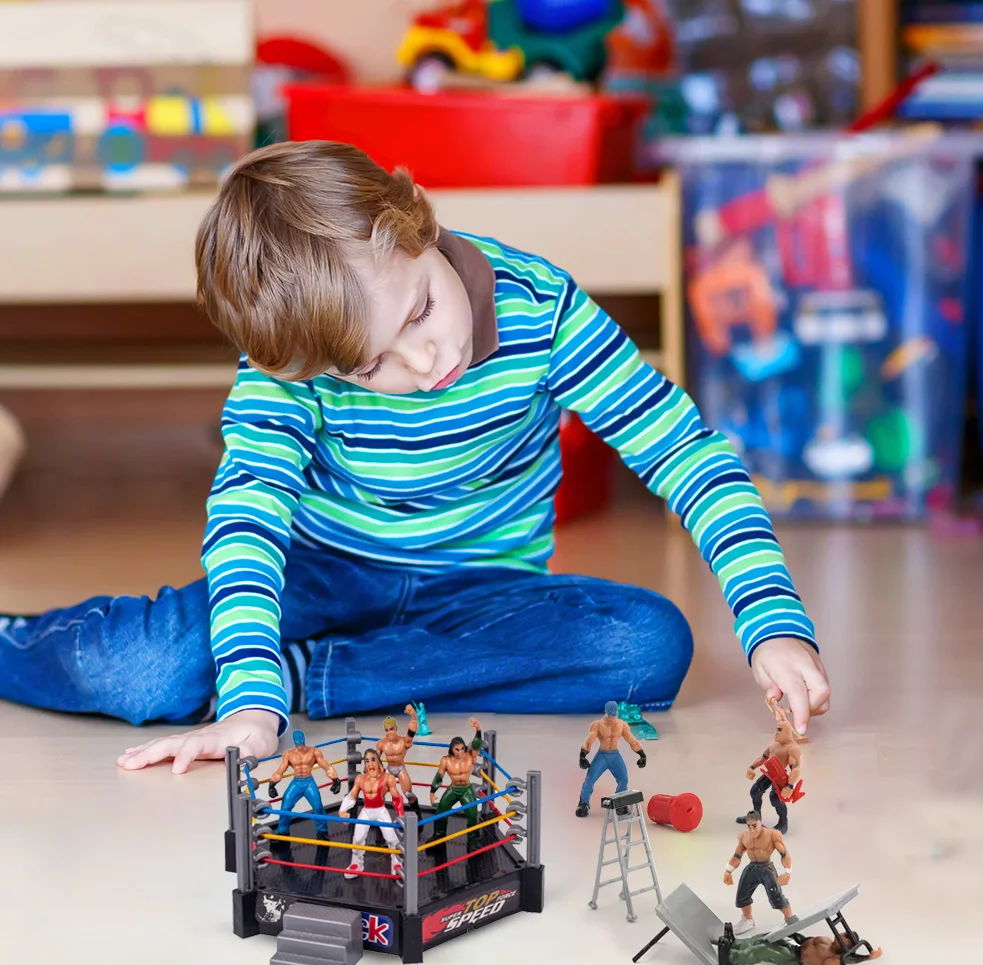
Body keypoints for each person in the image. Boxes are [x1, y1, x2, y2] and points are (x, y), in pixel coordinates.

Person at [0, 140, 830, 773]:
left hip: (482, 589)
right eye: (372, 367)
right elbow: (249, 520)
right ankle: (38, 641)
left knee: (645, 647)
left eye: (421, 310)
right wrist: (250, 705)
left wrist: (773, 623)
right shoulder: (291, 368)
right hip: (319, 576)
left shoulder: (543, 308)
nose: (425, 362)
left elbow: (684, 452)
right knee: (145, 671)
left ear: (418, 220)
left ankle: (312, 676)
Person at [735, 703, 802, 834]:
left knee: (775, 798)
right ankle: (756, 818)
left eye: (779, 730)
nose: (776, 732)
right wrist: (752, 767)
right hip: (770, 773)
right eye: (776, 729)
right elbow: (763, 757)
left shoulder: (792, 748)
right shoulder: (774, 745)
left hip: (781, 776)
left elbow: (796, 768)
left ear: (787, 732)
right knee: (755, 791)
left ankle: (783, 823)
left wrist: (790, 786)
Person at [339, 749, 405, 879]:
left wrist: (400, 815)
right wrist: (343, 810)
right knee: (358, 839)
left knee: (391, 838)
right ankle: (356, 863)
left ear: (379, 763)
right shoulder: (360, 779)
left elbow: (397, 798)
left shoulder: (388, 779)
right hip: (366, 811)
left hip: (381, 811)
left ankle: (396, 862)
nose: (370, 764)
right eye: (367, 761)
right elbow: (352, 796)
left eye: (373, 760)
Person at [724, 810, 793, 935]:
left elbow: (784, 854)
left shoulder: (772, 834)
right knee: (741, 895)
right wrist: (728, 871)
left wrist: (787, 873)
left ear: (760, 822)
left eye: (754, 825)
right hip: (752, 868)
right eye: (749, 826)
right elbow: (737, 855)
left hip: (767, 868)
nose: (752, 829)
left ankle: (790, 919)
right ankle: (747, 919)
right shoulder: (744, 836)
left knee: (776, 896)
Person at [716, 922, 883, 965]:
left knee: (764, 950)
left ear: (847, 947)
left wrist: (868, 957)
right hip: (794, 947)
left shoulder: (834, 959)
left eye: (846, 937)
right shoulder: (827, 940)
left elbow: (848, 959)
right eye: (845, 933)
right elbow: (805, 940)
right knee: (765, 938)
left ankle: (730, 959)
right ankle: (735, 944)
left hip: (794, 959)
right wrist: (792, 933)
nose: (843, 934)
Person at [576, 700, 646, 817]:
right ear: (606, 712)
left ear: (617, 712)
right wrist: (582, 755)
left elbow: (631, 740)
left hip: (615, 756)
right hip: (602, 755)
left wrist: (641, 754)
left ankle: (619, 803)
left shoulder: (622, 725)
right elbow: (589, 740)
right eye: (610, 714)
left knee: (623, 779)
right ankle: (583, 803)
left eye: (614, 714)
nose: (612, 717)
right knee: (590, 779)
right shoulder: (598, 725)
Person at [268, 729, 341, 838]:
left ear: (304, 739)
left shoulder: (314, 752)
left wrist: (336, 780)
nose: (299, 744)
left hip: (309, 783)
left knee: (318, 807)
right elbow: (280, 771)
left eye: (300, 741)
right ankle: (282, 830)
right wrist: (272, 784)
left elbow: (327, 767)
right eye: (297, 742)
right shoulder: (288, 754)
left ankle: (322, 831)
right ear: (294, 741)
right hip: (296, 783)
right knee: (285, 806)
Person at [430, 718, 482, 845]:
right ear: (451, 750)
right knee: (441, 811)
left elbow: (476, 745)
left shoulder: (470, 756)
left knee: (472, 815)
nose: (460, 752)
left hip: (466, 790)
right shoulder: (446, 760)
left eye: (462, 748)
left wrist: (478, 729)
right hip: (453, 789)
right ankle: (438, 835)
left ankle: (473, 839)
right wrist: (432, 792)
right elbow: (439, 776)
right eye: (457, 749)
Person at [376, 705, 419, 813]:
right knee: (380, 793)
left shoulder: (403, 742)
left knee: (409, 794)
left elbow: (411, 732)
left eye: (391, 729)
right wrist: (378, 769)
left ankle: (416, 811)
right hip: (389, 770)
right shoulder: (381, 743)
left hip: (400, 769)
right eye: (386, 730)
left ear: (396, 728)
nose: (389, 732)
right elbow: (376, 758)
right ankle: (378, 814)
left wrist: (414, 717)